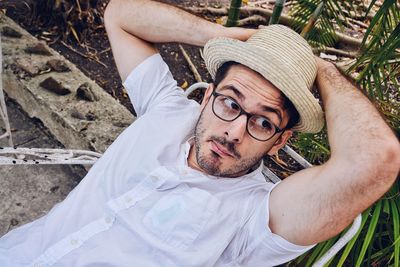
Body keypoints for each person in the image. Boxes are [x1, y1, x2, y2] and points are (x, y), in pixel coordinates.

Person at [1, 0, 399, 266]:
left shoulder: (258, 217)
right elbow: (120, 13)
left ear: (280, 140)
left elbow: (375, 159)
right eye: (230, 101)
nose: (234, 131)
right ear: (207, 95)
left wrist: (320, 67)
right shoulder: (168, 109)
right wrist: (223, 38)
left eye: (263, 122)